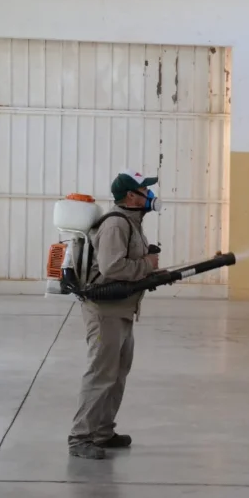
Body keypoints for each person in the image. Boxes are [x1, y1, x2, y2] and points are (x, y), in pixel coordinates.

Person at [68, 169, 162, 460]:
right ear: (130, 196)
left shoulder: (132, 223)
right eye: (144, 191)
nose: (150, 195)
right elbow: (112, 268)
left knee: (117, 374)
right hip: (105, 311)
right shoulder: (116, 225)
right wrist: (148, 264)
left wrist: (148, 267)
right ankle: (80, 437)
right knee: (100, 373)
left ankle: (102, 432)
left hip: (121, 309)